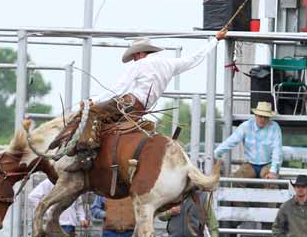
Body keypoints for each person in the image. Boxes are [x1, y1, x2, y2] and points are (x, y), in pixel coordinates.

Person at [51, 29, 228, 171]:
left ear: (140, 53)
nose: (134, 58)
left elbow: (118, 89)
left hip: (129, 102)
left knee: (91, 113)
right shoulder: (169, 64)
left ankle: (78, 153)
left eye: (135, 55)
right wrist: (215, 40)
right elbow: (194, 59)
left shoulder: (140, 64)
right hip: (140, 110)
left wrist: (93, 101)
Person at [214, 101, 283, 180]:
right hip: (250, 164)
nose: (263, 119)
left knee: (271, 182)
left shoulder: (274, 127)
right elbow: (231, 141)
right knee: (236, 180)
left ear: (269, 118)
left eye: (266, 117)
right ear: (255, 115)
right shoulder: (246, 126)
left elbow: (277, 150)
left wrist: (273, 171)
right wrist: (216, 153)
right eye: (260, 116)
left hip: (268, 164)